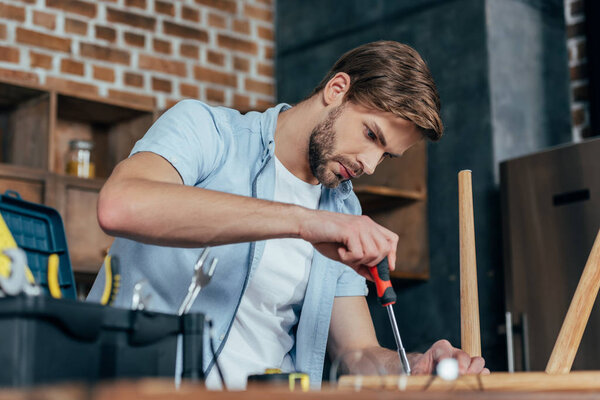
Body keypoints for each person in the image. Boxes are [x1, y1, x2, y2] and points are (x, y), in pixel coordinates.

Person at [87, 41, 489, 389]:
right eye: (371, 135)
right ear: (337, 89)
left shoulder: (343, 211)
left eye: (386, 155)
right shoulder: (207, 131)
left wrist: (412, 367)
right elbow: (122, 204)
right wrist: (304, 222)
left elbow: (357, 351)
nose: (370, 164)